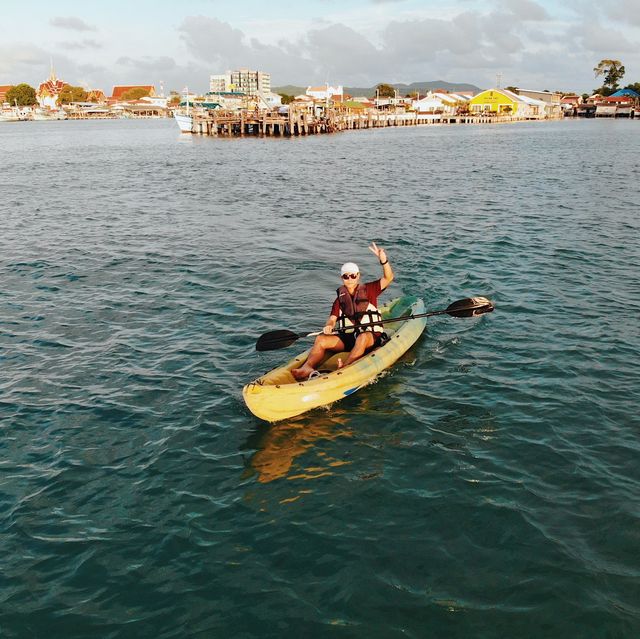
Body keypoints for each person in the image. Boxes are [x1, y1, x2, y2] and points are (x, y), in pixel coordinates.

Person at [291, 242, 394, 381]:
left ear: (358, 276)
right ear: (342, 278)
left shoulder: (370, 289)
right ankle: (307, 367)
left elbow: (389, 278)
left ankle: (344, 369)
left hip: (370, 337)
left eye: (352, 276)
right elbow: (333, 318)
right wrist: (329, 326)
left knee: (362, 337)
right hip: (350, 338)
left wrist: (383, 260)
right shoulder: (340, 299)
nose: (350, 279)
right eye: (346, 276)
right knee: (321, 339)